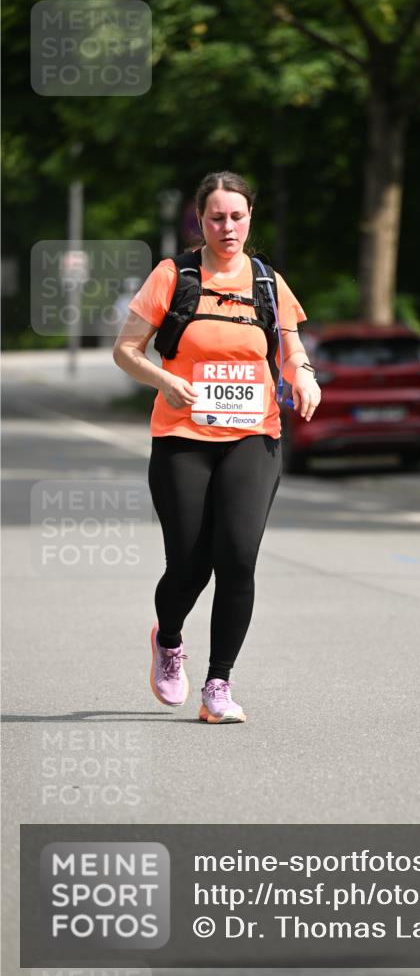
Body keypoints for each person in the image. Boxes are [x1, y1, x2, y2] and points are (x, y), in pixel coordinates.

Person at [112, 170, 320, 723]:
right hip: (183, 435)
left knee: (237, 558)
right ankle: (170, 641)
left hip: (254, 433)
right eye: (216, 217)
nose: (228, 227)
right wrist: (165, 380)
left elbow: (291, 351)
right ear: (200, 220)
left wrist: (304, 376)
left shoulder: (268, 282)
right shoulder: (173, 275)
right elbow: (126, 350)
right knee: (189, 562)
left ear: (250, 219)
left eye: (237, 216)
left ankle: (218, 685)